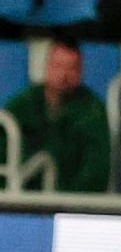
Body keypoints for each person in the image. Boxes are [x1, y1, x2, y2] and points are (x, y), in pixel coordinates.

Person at [0, 38, 109, 193]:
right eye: (58, 66)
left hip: (68, 205)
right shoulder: (23, 104)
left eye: (71, 68)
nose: (63, 75)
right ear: (47, 67)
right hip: (21, 200)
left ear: (81, 72)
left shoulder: (93, 112)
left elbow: (96, 173)